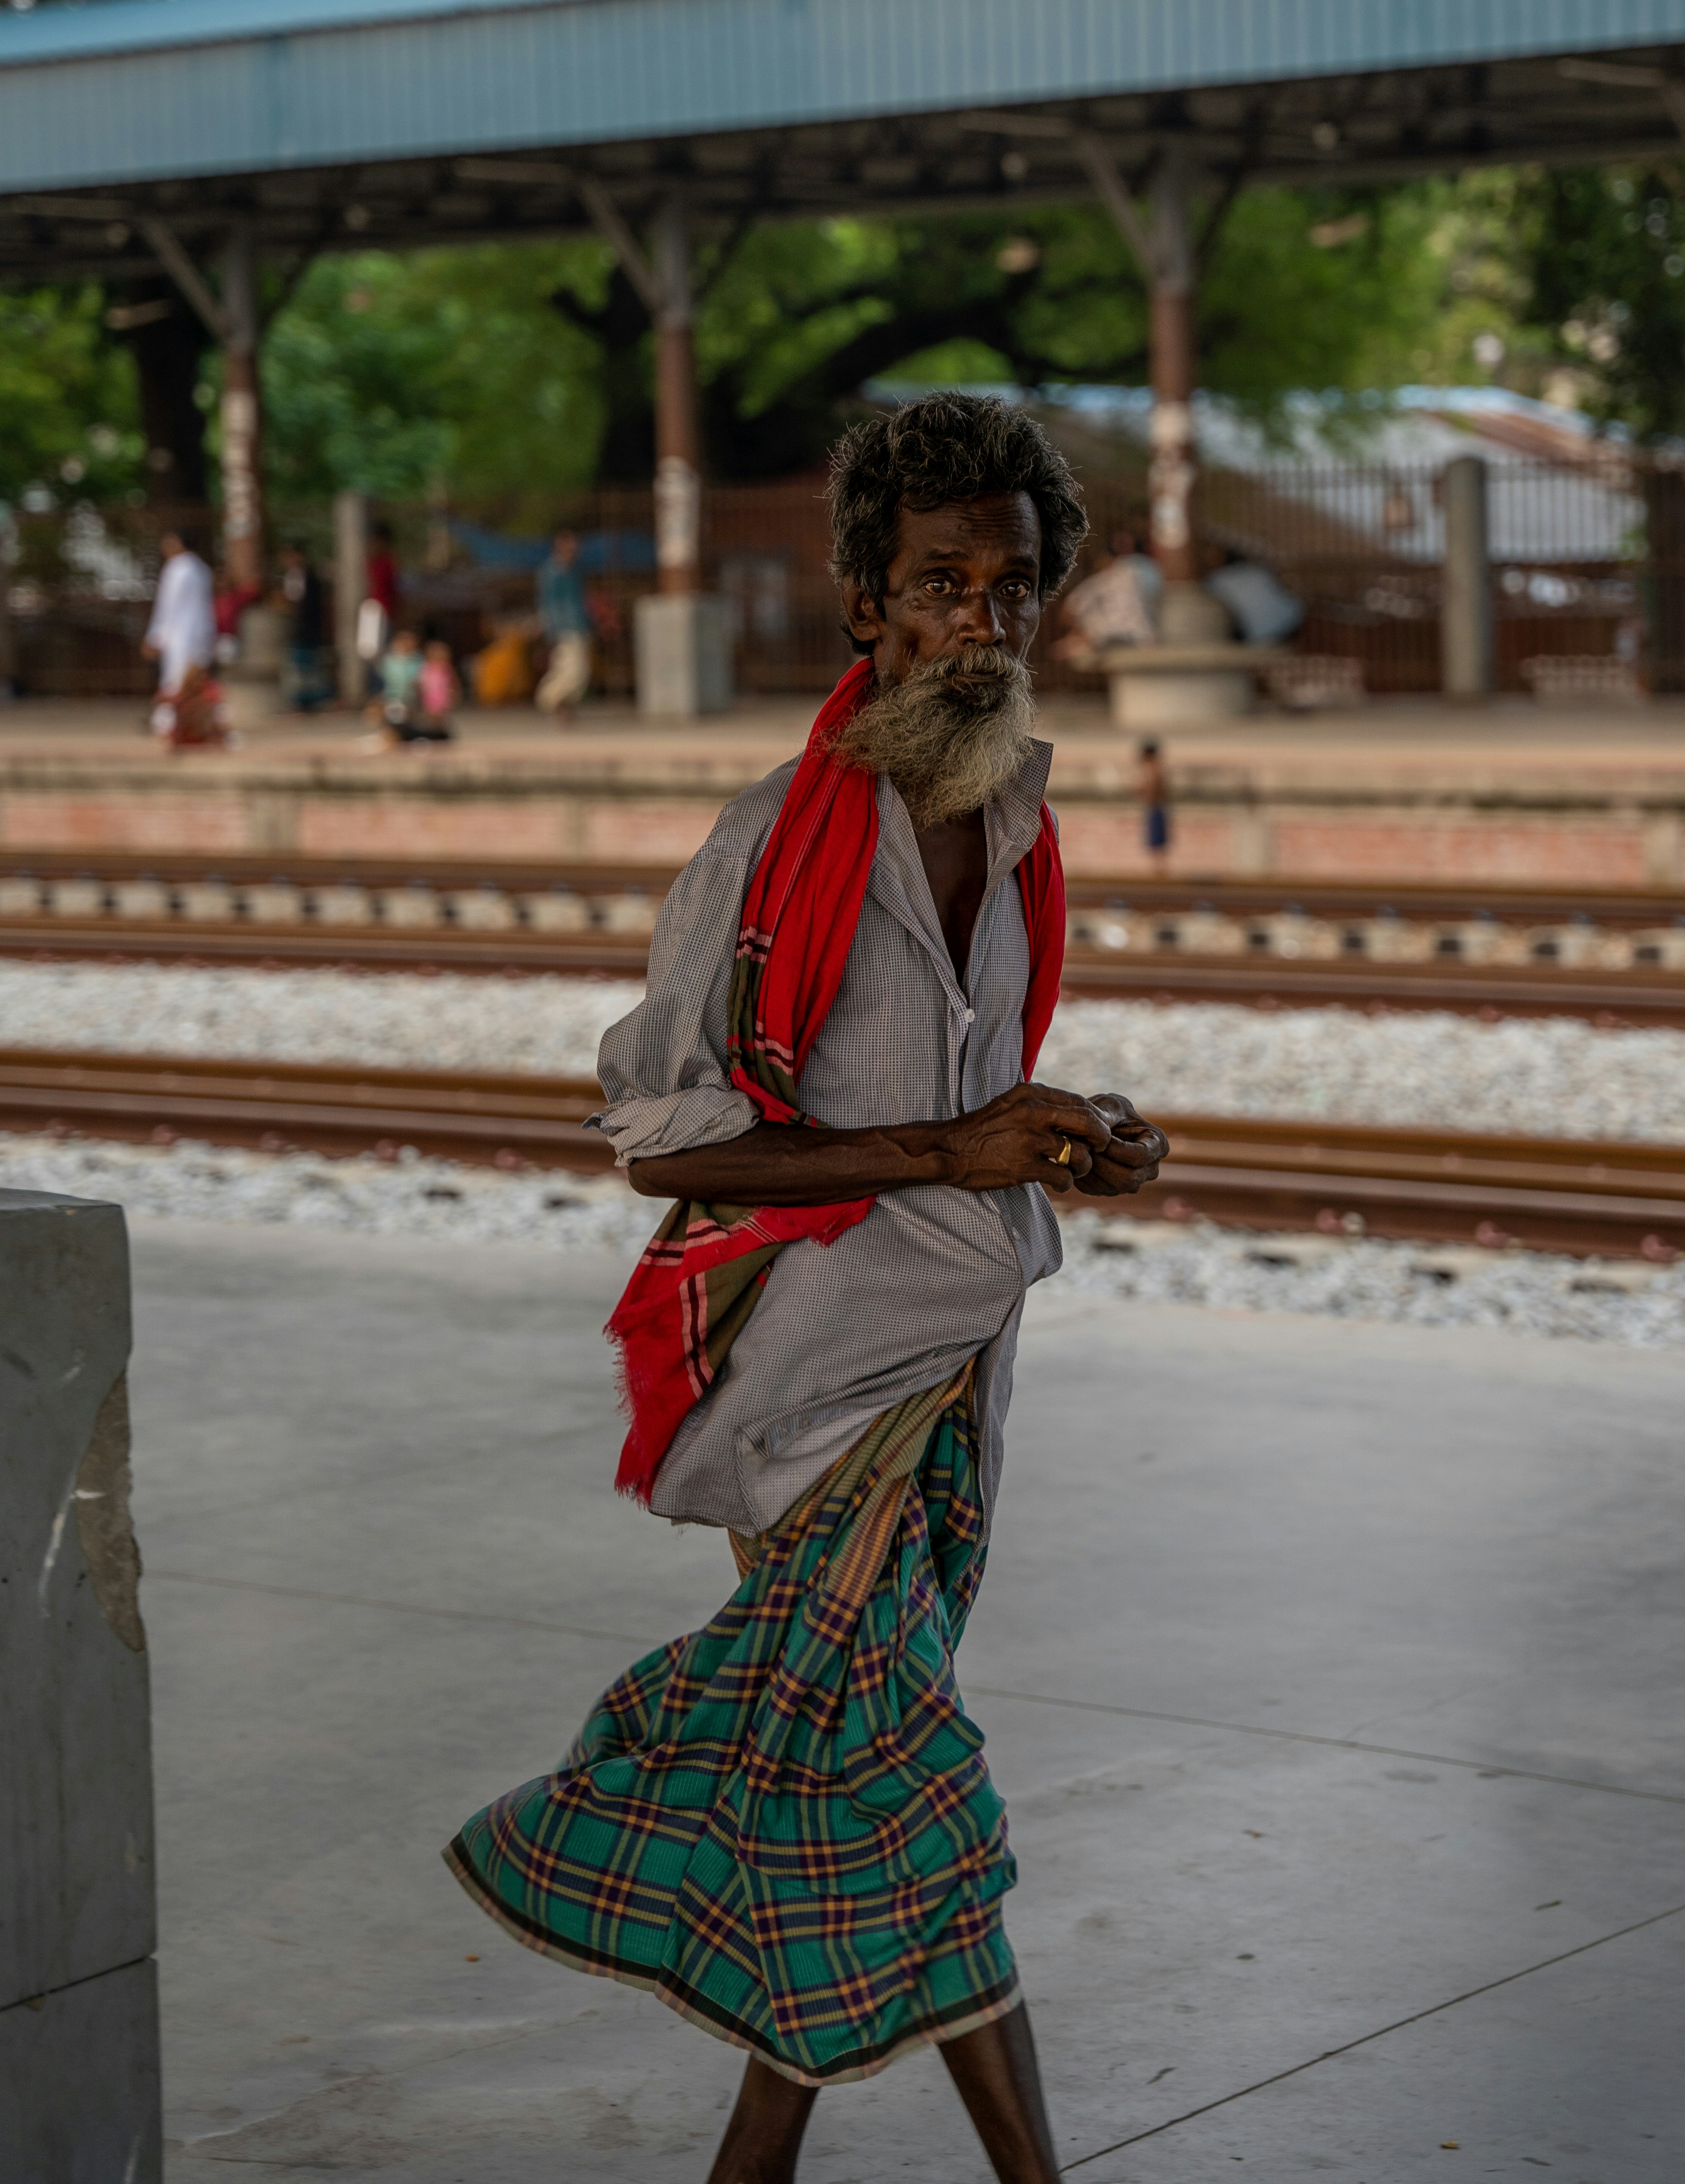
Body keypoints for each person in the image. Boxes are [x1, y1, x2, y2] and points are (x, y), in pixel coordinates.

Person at [446, 392, 1169, 2184]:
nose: (982, 623)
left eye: (1012, 588)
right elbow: (664, 1143)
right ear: (868, 608)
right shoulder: (771, 844)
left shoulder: (1014, 832)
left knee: (836, 1801)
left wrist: (1073, 1143)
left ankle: (751, 2165)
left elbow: (981, 1114)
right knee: (914, 1790)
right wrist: (951, 1147)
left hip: (958, 1383)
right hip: (806, 1390)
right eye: (941, 585)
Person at [1057, 523, 1162, 664]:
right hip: (1139, 636)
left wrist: (1079, 634)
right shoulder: (1141, 569)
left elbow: (1070, 608)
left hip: (1113, 635)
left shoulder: (1121, 572)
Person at [142, 527, 216, 723]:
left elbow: (168, 606)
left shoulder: (176, 568)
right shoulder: (203, 569)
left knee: (175, 677)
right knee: (196, 677)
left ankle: (171, 721)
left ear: (179, 543)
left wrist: (156, 637)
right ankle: (194, 719)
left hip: (179, 634)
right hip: (202, 631)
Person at [532, 525, 592, 721]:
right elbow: (548, 603)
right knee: (572, 670)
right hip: (564, 628)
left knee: (576, 671)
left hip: (577, 626)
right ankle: (549, 699)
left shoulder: (573, 571)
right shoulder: (552, 572)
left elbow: (579, 602)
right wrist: (551, 627)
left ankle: (561, 705)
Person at [281, 544, 330, 710]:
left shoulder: (310, 578)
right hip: (297, 630)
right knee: (299, 667)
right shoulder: (291, 577)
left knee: (310, 666)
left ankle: (311, 702)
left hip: (308, 628)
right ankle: (302, 702)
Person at [1136, 737, 1170, 865]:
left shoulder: (1153, 769)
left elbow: (1152, 789)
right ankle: (1158, 868)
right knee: (1157, 843)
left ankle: (1158, 870)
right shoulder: (1157, 769)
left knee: (1157, 844)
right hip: (1156, 807)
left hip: (1155, 807)